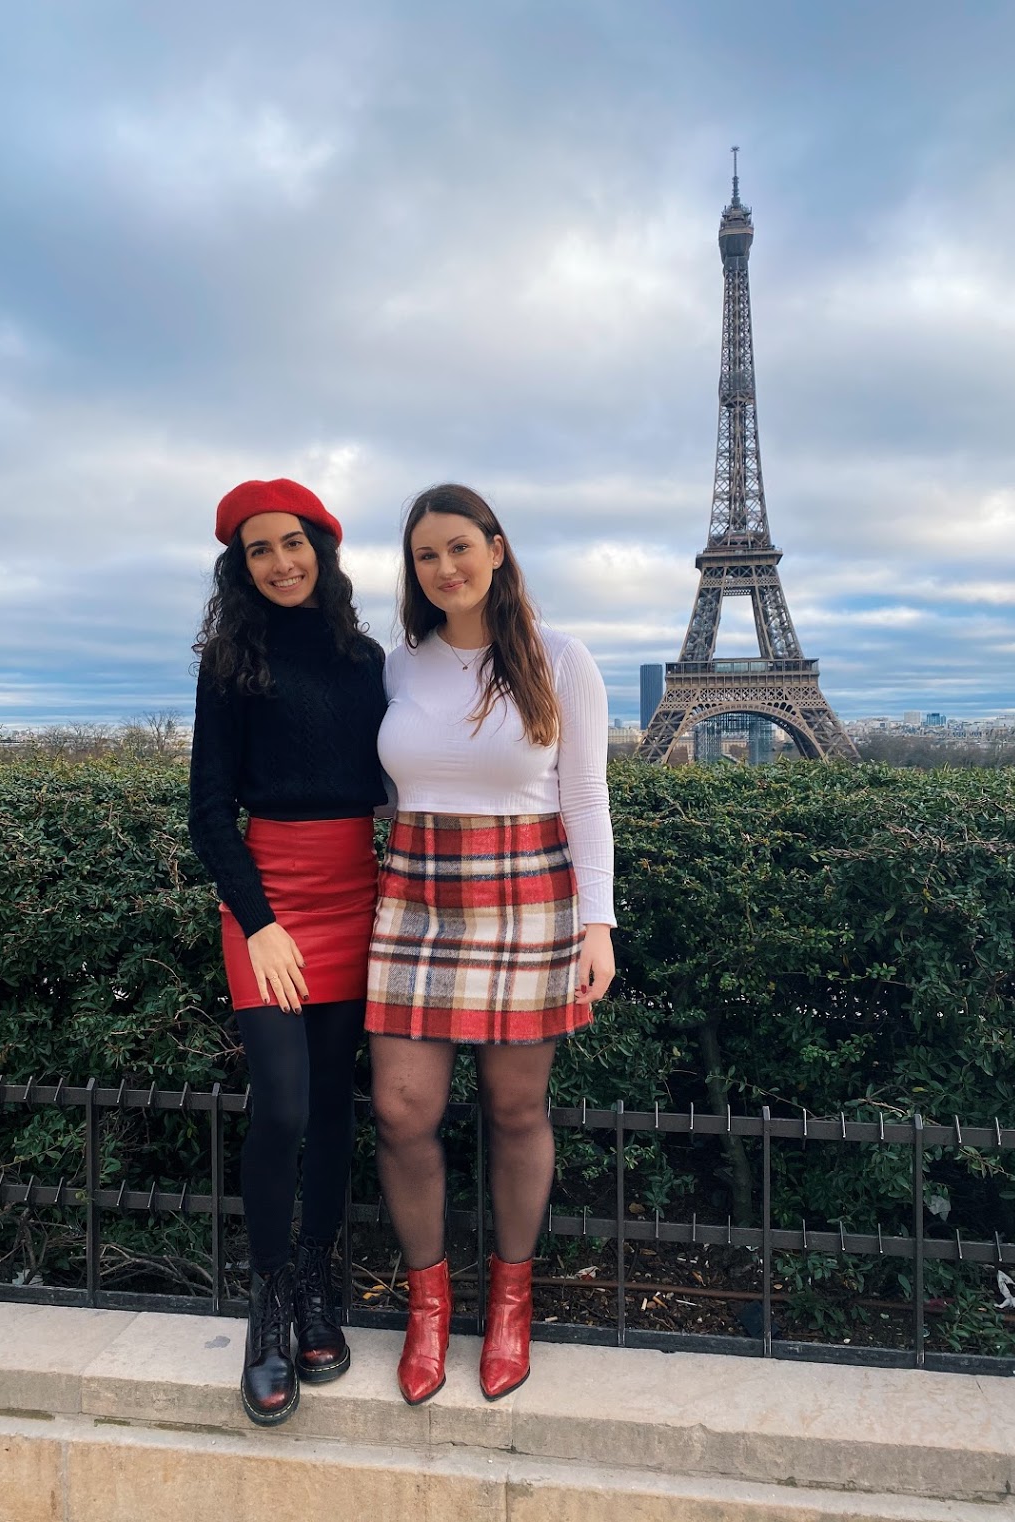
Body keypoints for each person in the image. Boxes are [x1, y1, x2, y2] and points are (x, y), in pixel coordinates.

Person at [366, 482, 616, 1405]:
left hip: (528, 897)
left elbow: (585, 798)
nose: (445, 568)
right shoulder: (398, 666)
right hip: (416, 895)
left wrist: (599, 923)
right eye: (426, 555)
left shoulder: (562, 659)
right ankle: (428, 1306)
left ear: (498, 549)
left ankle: (511, 1302)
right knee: (402, 1111)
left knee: (516, 1111)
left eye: (459, 547)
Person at [189, 478, 386, 1426]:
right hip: (268, 906)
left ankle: (315, 1283)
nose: (279, 562)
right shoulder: (230, 662)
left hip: (359, 893)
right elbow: (208, 811)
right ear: (240, 565)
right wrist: (259, 920)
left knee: (337, 1107)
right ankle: (267, 1306)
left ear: (322, 548)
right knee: (282, 1106)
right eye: (258, 549)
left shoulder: (366, 659)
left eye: (293, 542)